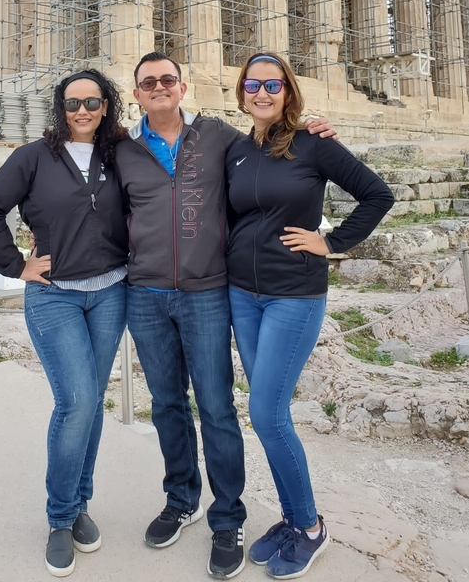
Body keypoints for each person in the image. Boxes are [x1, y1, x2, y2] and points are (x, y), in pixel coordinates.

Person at [115, 51, 337, 580]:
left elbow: (271, 150)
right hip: (145, 293)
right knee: (167, 404)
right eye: (148, 82)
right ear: (137, 93)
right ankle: (181, 500)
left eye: (168, 79)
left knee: (216, 406)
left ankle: (227, 518)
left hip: (208, 291)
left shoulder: (219, 138)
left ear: (183, 87)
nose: (159, 87)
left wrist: (312, 130)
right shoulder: (120, 147)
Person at [225, 52, 394, 580]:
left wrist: (332, 242)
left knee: (267, 414)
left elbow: (377, 195)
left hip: (293, 296)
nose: (262, 93)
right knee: (267, 414)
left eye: (272, 85)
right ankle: (292, 519)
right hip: (242, 296)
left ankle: (310, 526)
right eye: (253, 84)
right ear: (241, 92)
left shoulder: (314, 143)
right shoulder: (236, 150)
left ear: (288, 91)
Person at [0, 70, 129, 579]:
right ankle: (60, 517)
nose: (82, 111)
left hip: (110, 292)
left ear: (106, 106)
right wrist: (14, 265)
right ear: (59, 108)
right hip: (54, 295)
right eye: (72, 103)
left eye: (92, 102)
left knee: (93, 402)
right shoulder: (33, 157)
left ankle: (80, 503)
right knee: (76, 402)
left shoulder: (119, 154)